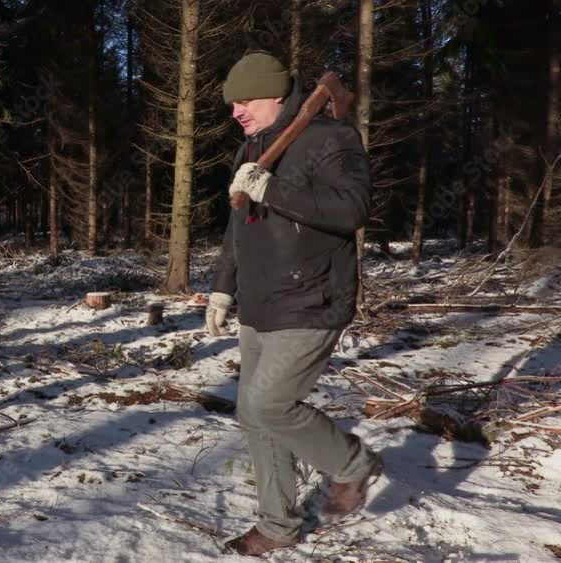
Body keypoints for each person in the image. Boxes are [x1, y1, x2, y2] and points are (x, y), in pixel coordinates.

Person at [206, 51, 382, 556]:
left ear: (278, 95)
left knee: (270, 403)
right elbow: (237, 229)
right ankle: (277, 525)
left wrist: (273, 189)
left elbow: (353, 208)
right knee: (253, 415)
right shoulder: (250, 151)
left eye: (244, 100)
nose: (236, 111)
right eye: (231, 104)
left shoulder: (329, 137)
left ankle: (353, 464)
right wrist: (223, 287)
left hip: (312, 297)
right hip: (260, 303)